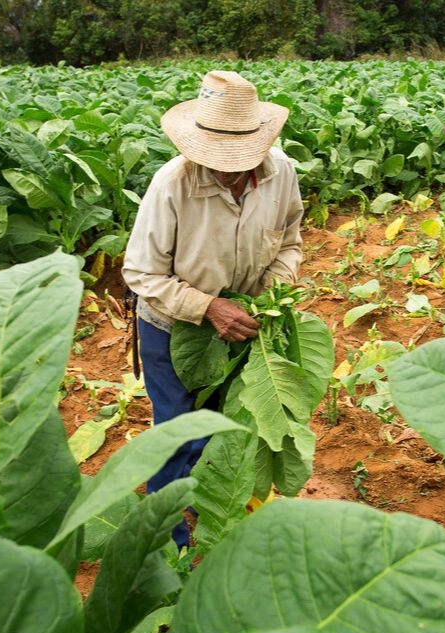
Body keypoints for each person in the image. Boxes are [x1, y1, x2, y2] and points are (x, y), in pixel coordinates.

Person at [122, 70, 304, 549]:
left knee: (234, 431)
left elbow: (289, 240)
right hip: (173, 326)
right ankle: (170, 545)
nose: (227, 169)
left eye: (239, 160)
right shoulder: (171, 185)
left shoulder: (281, 172)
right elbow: (141, 275)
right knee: (179, 434)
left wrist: (273, 290)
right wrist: (208, 308)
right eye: (217, 160)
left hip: (246, 324)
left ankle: (227, 523)